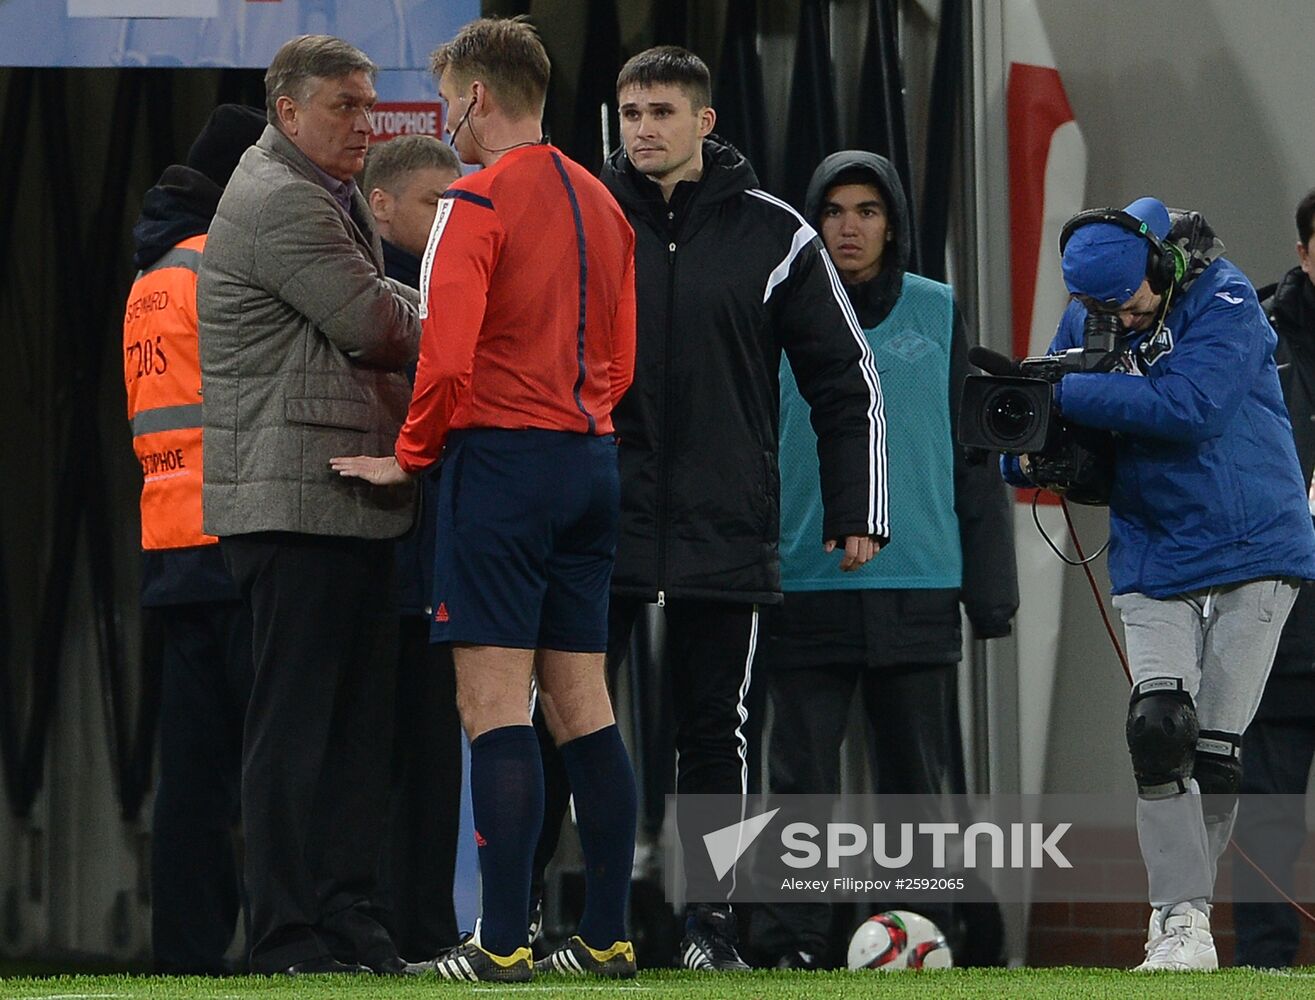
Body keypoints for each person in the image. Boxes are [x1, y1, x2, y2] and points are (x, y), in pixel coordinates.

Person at [532, 46, 889, 973]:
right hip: (595, 517)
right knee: (559, 720)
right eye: (631, 111)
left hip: (722, 522)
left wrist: (859, 506)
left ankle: (709, 931)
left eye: (660, 111)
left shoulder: (776, 234)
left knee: (713, 734)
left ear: (705, 122)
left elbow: (846, 380)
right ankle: (526, 921)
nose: (642, 128)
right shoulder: (578, 215)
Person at [331, 16, 640, 983]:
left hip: (503, 466)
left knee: (492, 701)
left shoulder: (474, 202)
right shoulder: (605, 200)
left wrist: (412, 456)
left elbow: (446, 353)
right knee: (585, 702)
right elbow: (626, 357)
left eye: (449, 101)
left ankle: (500, 942)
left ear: (474, 99)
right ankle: (607, 936)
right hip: (591, 461)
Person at [1004, 196, 1315, 970]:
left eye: (1127, 304)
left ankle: (1190, 913)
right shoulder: (1093, 315)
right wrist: (1027, 446)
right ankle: (1181, 923)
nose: (1119, 320)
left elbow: (1189, 407)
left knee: (1211, 752)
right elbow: (1036, 416)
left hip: (1256, 547)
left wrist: (1059, 391)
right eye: (1096, 308)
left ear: (1161, 265)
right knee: (1157, 731)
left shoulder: (1231, 297)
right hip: (1154, 548)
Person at [752, 151, 1018, 969]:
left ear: (892, 222)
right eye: (832, 210)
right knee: (797, 783)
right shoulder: (775, 316)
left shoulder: (937, 312)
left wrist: (991, 593)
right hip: (804, 577)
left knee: (917, 788)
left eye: (867, 210)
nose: (849, 226)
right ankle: (788, 945)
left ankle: (934, 936)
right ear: (812, 222)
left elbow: (973, 458)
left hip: (920, 581)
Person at [197, 34, 421, 976]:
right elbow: (370, 320)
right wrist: (462, 308)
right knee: (295, 732)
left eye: (370, 105)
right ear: (288, 112)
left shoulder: (316, 193)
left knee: (354, 733)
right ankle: (287, 933)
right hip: (293, 508)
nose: (365, 124)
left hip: (337, 499)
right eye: (345, 105)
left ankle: (348, 926)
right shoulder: (281, 199)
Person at [124, 103, 266, 975]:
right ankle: (287, 937)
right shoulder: (227, 265)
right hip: (244, 535)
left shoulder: (153, 274)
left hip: (175, 545)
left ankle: (186, 949)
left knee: (193, 771)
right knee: (271, 756)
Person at [359, 134, 464, 962]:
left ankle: (424, 929)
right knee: (373, 757)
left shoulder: (456, 286)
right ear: (381, 205)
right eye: (436, 202)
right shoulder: (359, 296)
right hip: (368, 560)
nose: (450, 218)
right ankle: (369, 926)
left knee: (434, 760)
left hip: (435, 567)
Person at [1231, 188, 1315, 969]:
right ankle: (1262, 974)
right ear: (1302, 253)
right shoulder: (1249, 332)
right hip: (1277, 624)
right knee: (1264, 820)